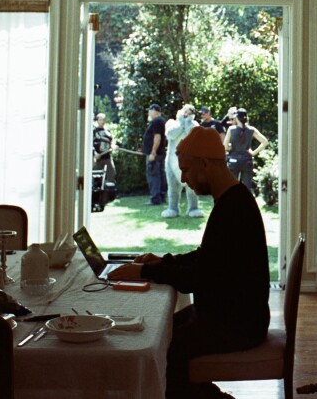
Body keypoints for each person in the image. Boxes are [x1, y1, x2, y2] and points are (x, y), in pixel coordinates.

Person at [109, 126, 270, 399]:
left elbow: (197, 278)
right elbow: (207, 258)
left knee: (160, 350)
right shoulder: (234, 198)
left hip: (237, 324)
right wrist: (164, 261)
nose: (183, 179)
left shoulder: (232, 208)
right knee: (159, 331)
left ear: (205, 164)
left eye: (186, 169)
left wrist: (145, 271)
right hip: (232, 315)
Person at [162, 104, 203, 218]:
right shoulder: (172, 123)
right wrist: (181, 123)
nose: (187, 114)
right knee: (173, 188)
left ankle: (193, 208)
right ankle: (173, 208)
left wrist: (188, 123)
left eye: (190, 113)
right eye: (185, 111)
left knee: (192, 188)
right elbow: (171, 134)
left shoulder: (194, 125)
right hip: (172, 162)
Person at [223, 108, 269, 192]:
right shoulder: (251, 130)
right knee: (246, 189)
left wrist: (231, 146)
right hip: (247, 161)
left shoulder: (231, 129)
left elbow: (225, 147)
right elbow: (265, 142)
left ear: (236, 118)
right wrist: (254, 152)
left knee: (232, 188)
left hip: (233, 161)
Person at [143, 103, 167, 205]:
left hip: (155, 154)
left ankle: (155, 199)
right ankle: (161, 196)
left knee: (153, 175)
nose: (148, 112)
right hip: (160, 153)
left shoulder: (156, 121)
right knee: (160, 175)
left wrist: (153, 152)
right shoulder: (160, 121)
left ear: (155, 111)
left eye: (150, 110)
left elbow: (157, 137)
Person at [92, 113, 116, 182]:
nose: (102, 121)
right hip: (98, 159)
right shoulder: (94, 131)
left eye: (103, 119)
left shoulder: (107, 131)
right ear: (97, 121)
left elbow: (111, 142)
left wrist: (114, 146)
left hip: (107, 157)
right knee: (97, 177)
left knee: (112, 174)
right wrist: (95, 153)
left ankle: (109, 190)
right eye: (100, 120)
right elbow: (91, 145)